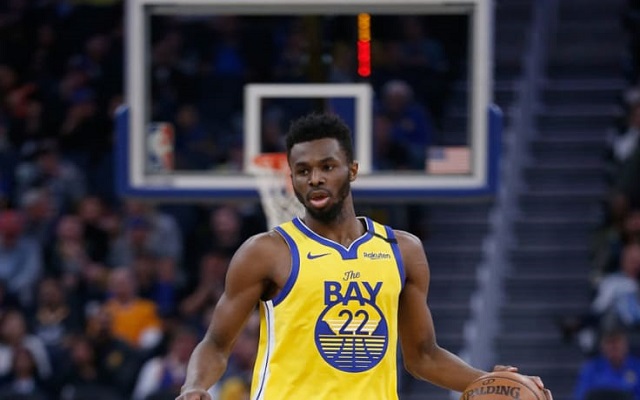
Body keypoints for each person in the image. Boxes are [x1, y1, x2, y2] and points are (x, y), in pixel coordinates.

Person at [176, 113, 553, 400]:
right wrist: (194, 386)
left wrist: (491, 382)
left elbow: (423, 356)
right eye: (303, 171)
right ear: (292, 179)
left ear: (352, 170)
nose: (315, 178)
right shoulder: (266, 252)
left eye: (327, 167)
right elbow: (216, 343)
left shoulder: (402, 250)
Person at [573, 326, 640, 400]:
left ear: (626, 345)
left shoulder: (637, 367)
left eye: (617, 342)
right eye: (609, 342)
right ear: (602, 347)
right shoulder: (590, 369)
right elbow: (581, 396)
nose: (613, 346)